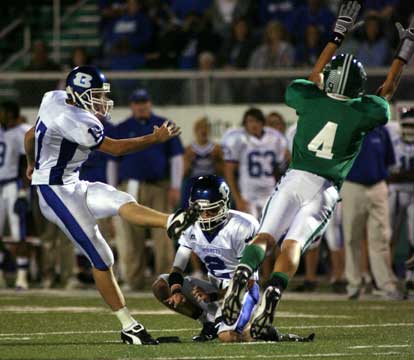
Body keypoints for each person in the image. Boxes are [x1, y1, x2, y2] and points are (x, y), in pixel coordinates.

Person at [221, 1, 414, 338]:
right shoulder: (364, 111)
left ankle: (243, 270)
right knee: (292, 244)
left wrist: (336, 36)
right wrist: (403, 54)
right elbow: (386, 92)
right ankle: (276, 291)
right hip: (324, 190)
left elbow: (313, 78)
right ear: (357, 87)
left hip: (295, 178)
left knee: (265, 237)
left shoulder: (308, 97)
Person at [24, 65, 198, 345]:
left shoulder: (53, 98)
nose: (102, 101)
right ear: (78, 95)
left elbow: (30, 135)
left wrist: (31, 162)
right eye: (95, 95)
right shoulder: (78, 120)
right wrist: (155, 138)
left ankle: (170, 221)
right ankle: (128, 325)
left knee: (120, 199)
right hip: (53, 190)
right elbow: (116, 149)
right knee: (102, 256)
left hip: (73, 182)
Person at [152, 175, 314, 343]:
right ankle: (209, 323)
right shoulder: (190, 224)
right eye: (200, 210)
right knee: (162, 286)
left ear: (225, 204)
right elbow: (177, 268)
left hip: (241, 291)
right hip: (213, 287)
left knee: (228, 337)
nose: (206, 216)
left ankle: (262, 331)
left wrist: (214, 296)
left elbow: (249, 282)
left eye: (212, 210)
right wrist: (177, 291)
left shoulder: (242, 226)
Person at [115, 88, 184, 290]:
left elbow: (177, 158)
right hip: (130, 186)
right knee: (130, 237)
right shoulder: (123, 127)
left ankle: (165, 280)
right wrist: (113, 188)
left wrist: (175, 186)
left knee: (164, 234)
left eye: (144, 102)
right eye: (137, 102)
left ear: (150, 103)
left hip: (159, 186)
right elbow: (113, 161)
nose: (141, 106)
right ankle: (133, 279)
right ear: (131, 105)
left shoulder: (164, 125)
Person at [341, 124, 399, 300]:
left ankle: (385, 284)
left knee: (380, 237)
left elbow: (389, 161)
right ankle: (354, 284)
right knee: (352, 237)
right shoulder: (348, 127)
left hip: (377, 185)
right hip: (352, 185)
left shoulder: (381, 130)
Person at [222, 107, 289, 219]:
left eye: (257, 121)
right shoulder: (238, 140)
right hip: (248, 196)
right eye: (250, 121)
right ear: (245, 124)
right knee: (249, 232)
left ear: (263, 123)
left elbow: (280, 169)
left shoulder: (275, 138)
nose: (254, 125)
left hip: (270, 193)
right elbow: (229, 172)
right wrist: (237, 199)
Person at [0, 101, 31, 289]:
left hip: (12, 184)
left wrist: (23, 191)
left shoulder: (21, 132)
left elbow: (25, 163)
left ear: (10, 114)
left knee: (19, 233)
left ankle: (22, 277)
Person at [388, 108, 414, 294]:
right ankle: (387, 277)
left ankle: (410, 277)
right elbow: (388, 170)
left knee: (413, 237)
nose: (409, 129)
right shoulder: (392, 138)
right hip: (394, 191)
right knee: (389, 236)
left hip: (410, 192)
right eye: (406, 124)